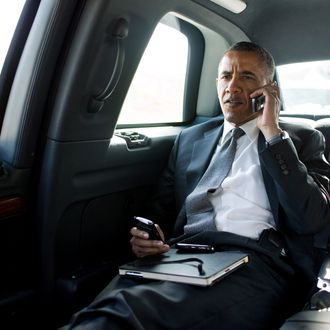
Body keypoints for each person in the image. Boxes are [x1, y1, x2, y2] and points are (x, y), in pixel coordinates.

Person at [61, 42, 330, 330]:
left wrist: (273, 135)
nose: (233, 86)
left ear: (269, 90)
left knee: (123, 317)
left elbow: (312, 217)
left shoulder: (300, 140)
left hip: (256, 263)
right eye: (226, 76)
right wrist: (147, 239)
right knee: (103, 309)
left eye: (247, 77)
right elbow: (160, 212)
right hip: (179, 255)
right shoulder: (191, 139)